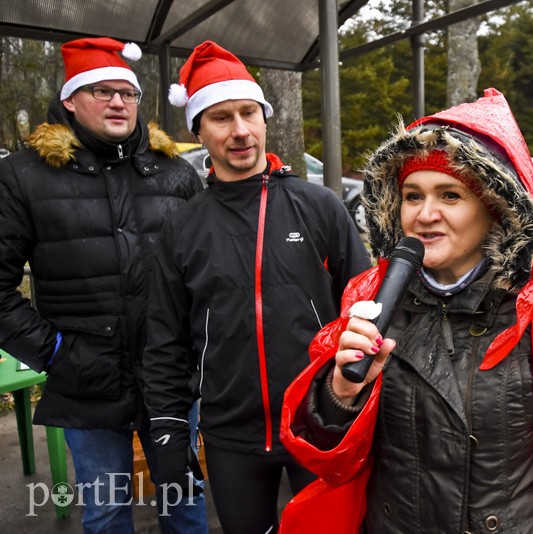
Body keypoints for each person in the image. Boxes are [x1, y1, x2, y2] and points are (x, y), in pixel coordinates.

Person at [278, 88, 533, 533]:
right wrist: (340, 396)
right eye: (412, 195)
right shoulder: (369, 296)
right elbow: (325, 455)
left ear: (494, 205)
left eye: (449, 195)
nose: (424, 215)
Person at [141, 40, 371, 534]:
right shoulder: (182, 227)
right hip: (231, 434)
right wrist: (167, 425)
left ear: (265, 118)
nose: (240, 130)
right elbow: (165, 339)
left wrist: (359, 398)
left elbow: (365, 309)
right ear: (198, 129)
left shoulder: (319, 206)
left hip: (319, 419)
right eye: (221, 118)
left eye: (249, 113)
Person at [0, 37, 207, 533]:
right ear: (70, 100)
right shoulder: (24, 176)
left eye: (127, 93)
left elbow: (205, 272)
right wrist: (54, 353)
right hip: (85, 378)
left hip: (171, 376)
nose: (118, 102)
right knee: (108, 507)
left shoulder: (176, 173)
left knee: (183, 500)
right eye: (101, 91)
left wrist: (199, 348)